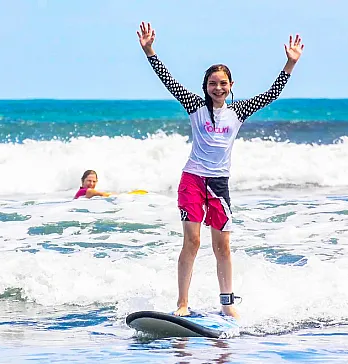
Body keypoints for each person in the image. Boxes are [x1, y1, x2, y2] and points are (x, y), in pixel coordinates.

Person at [137, 22, 304, 318]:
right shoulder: (194, 106)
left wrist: (289, 64)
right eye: (213, 83)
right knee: (192, 241)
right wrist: (150, 50)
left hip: (219, 184)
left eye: (223, 83)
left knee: (222, 247)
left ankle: (227, 304)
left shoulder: (238, 111)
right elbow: (168, 80)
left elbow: (272, 94)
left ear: (231, 86)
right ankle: (182, 303)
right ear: (206, 86)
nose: (218, 88)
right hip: (192, 179)